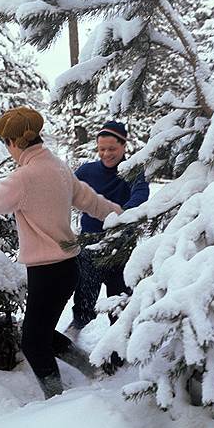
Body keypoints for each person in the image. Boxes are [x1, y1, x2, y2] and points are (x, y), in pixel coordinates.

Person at [0, 106, 122, 399]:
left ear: (13, 142)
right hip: (66, 268)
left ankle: (56, 400)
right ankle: (93, 369)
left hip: (48, 271)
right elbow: (91, 201)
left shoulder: (25, 177)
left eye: (6, 144)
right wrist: (120, 216)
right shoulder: (58, 167)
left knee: (34, 342)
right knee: (41, 333)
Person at [69, 121, 150, 373]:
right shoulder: (87, 171)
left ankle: (118, 353)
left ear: (124, 146)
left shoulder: (133, 171)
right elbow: (66, 190)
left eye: (112, 149)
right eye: (101, 149)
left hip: (120, 247)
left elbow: (141, 196)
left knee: (119, 299)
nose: (106, 154)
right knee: (85, 295)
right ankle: (73, 335)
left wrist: (119, 218)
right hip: (90, 245)